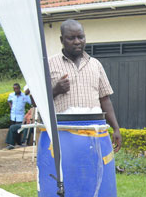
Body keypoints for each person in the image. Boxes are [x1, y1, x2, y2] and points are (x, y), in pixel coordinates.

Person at [49, 19, 121, 152]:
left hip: (93, 134)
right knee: (67, 172)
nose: (77, 41)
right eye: (71, 38)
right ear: (61, 39)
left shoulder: (95, 64)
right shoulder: (49, 64)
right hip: (63, 135)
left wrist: (115, 128)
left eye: (80, 37)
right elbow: (35, 101)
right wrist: (55, 90)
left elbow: (105, 99)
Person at [5, 83, 31, 149]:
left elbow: (31, 102)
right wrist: (11, 107)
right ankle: (12, 143)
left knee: (19, 130)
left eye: (17, 88)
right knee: (13, 129)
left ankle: (20, 143)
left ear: (19, 88)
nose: (16, 90)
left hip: (20, 116)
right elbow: (9, 101)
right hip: (13, 116)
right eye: (14, 89)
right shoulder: (11, 95)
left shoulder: (24, 96)